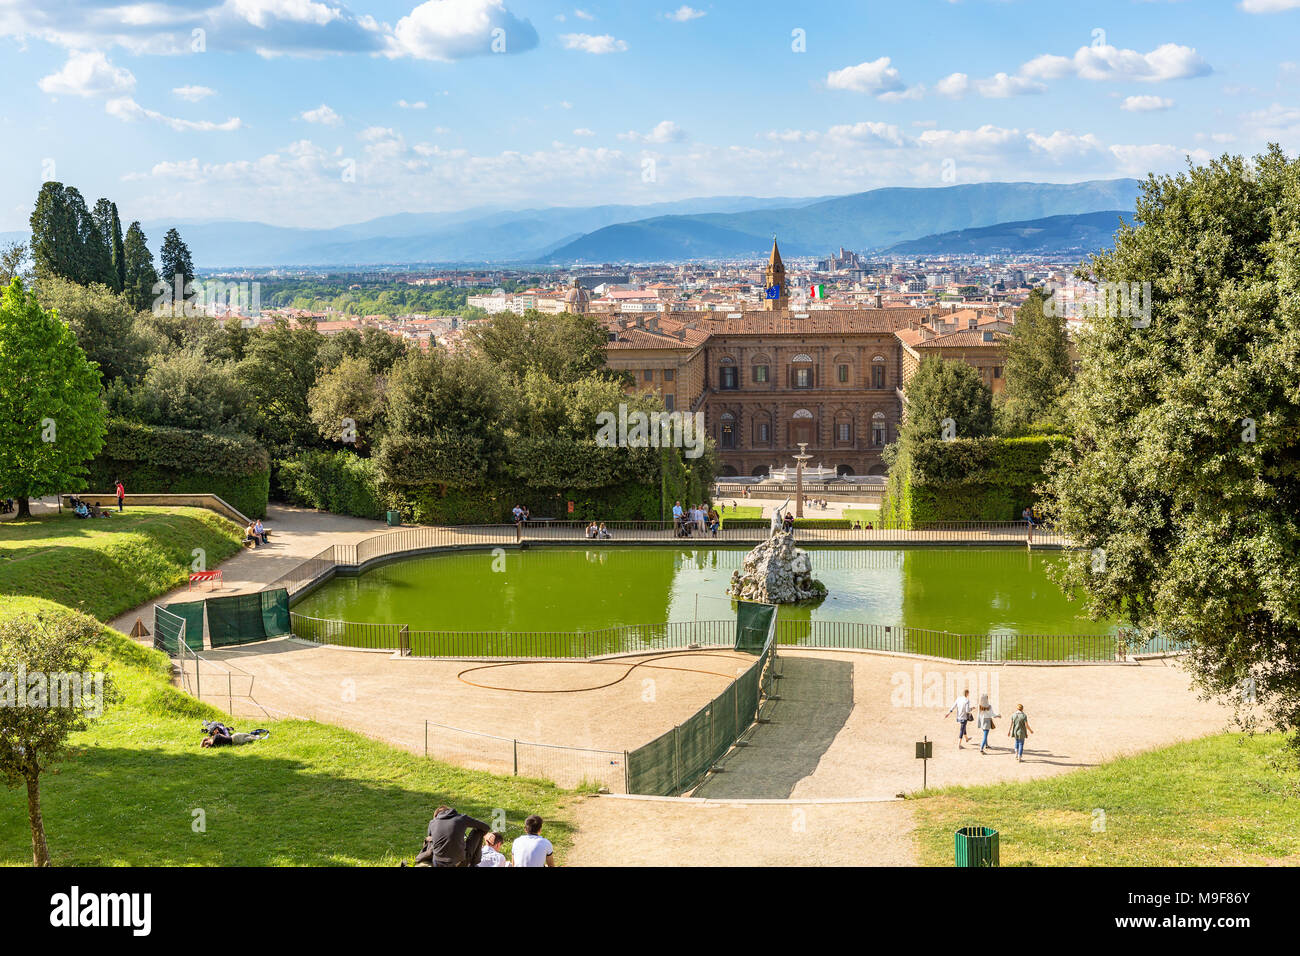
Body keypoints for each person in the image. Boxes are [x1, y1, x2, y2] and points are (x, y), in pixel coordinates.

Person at [413, 806, 491, 867]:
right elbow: (486, 827)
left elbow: (430, 844)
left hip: (437, 863)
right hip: (459, 862)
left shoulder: (432, 822)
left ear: (436, 815)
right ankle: (474, 862)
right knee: (479, 831)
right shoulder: (462, 818)